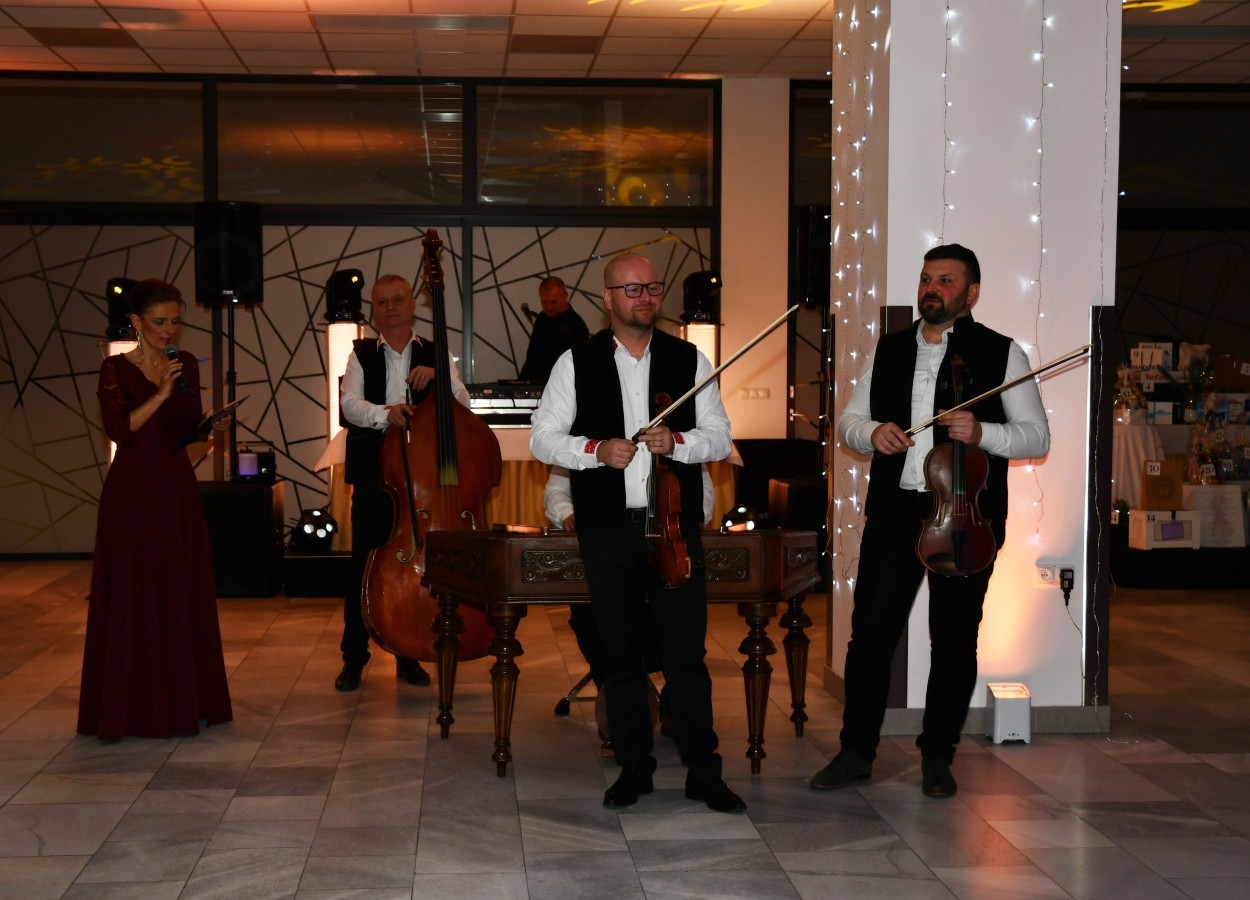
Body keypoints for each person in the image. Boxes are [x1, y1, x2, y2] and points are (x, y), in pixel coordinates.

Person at [811, 244, 1050, 798]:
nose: (932, 289)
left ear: (971, 293)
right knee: (870, 635)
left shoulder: (1002, 352)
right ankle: (855, 752)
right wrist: (871, 433)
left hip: (966, 517)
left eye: (945, 280)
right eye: (926, 279)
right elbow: (848, 422)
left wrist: (984, 432)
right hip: (897, 513)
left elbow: (1036, 437)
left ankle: (938, 755)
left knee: (954, 639)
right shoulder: (890, 348)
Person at [530, 252, 744, 813]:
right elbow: (542, 438)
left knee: (686, 655)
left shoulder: (689, 358)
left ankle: (704, 771)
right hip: (608, 530)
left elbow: (720, 436)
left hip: (673, 531)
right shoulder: (575, 362)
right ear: (607, 298)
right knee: (620, 655)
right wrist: (595, 449)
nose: (645, 297)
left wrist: (680, 442)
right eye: (632, 289)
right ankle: (633, 768)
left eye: (652, 287)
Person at [78, 278, 233, 740]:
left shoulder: (184, 363)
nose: (169, 330)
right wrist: (161, 394)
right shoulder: (114, 368)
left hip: (176, 487)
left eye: (175, 322)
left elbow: (186, 426)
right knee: (133, 592)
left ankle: (184, 699)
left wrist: (208, 427)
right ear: (136, 321)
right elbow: (119, 429)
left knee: (177, 588)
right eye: (160, 321)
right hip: (132, 491)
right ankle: (131, 707)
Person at [336, 273, 471, 692]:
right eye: (382, 302)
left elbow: (464, 402)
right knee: (363, 567)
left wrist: (440, 378)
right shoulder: (360, 353)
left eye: (397, 300)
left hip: (421, 482)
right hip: (375, 479)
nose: (390, 307)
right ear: (374, 310)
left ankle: (407, 656)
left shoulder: (435, 353)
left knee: (414, 572)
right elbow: (349, 404)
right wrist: (385, 413)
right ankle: (354, 657)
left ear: (413, 305)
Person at [519, 275, 590, 383]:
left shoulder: (576, 325)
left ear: (565, 296)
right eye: (544, 302)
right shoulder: (542, 319)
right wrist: (519, 386)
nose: (549, 307)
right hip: (538, 386)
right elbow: (532, 360)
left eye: (553, 302)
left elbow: (581, 367)